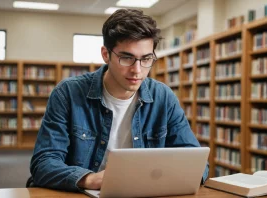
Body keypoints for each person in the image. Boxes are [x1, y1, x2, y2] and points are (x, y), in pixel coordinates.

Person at [30, 8, 209, 191]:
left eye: (146, 59)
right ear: (106, 54)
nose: (137, 70)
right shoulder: (67, 93)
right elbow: (43, 163)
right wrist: (89, 180)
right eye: (126, 58)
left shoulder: (163, 97)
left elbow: (198, 163)